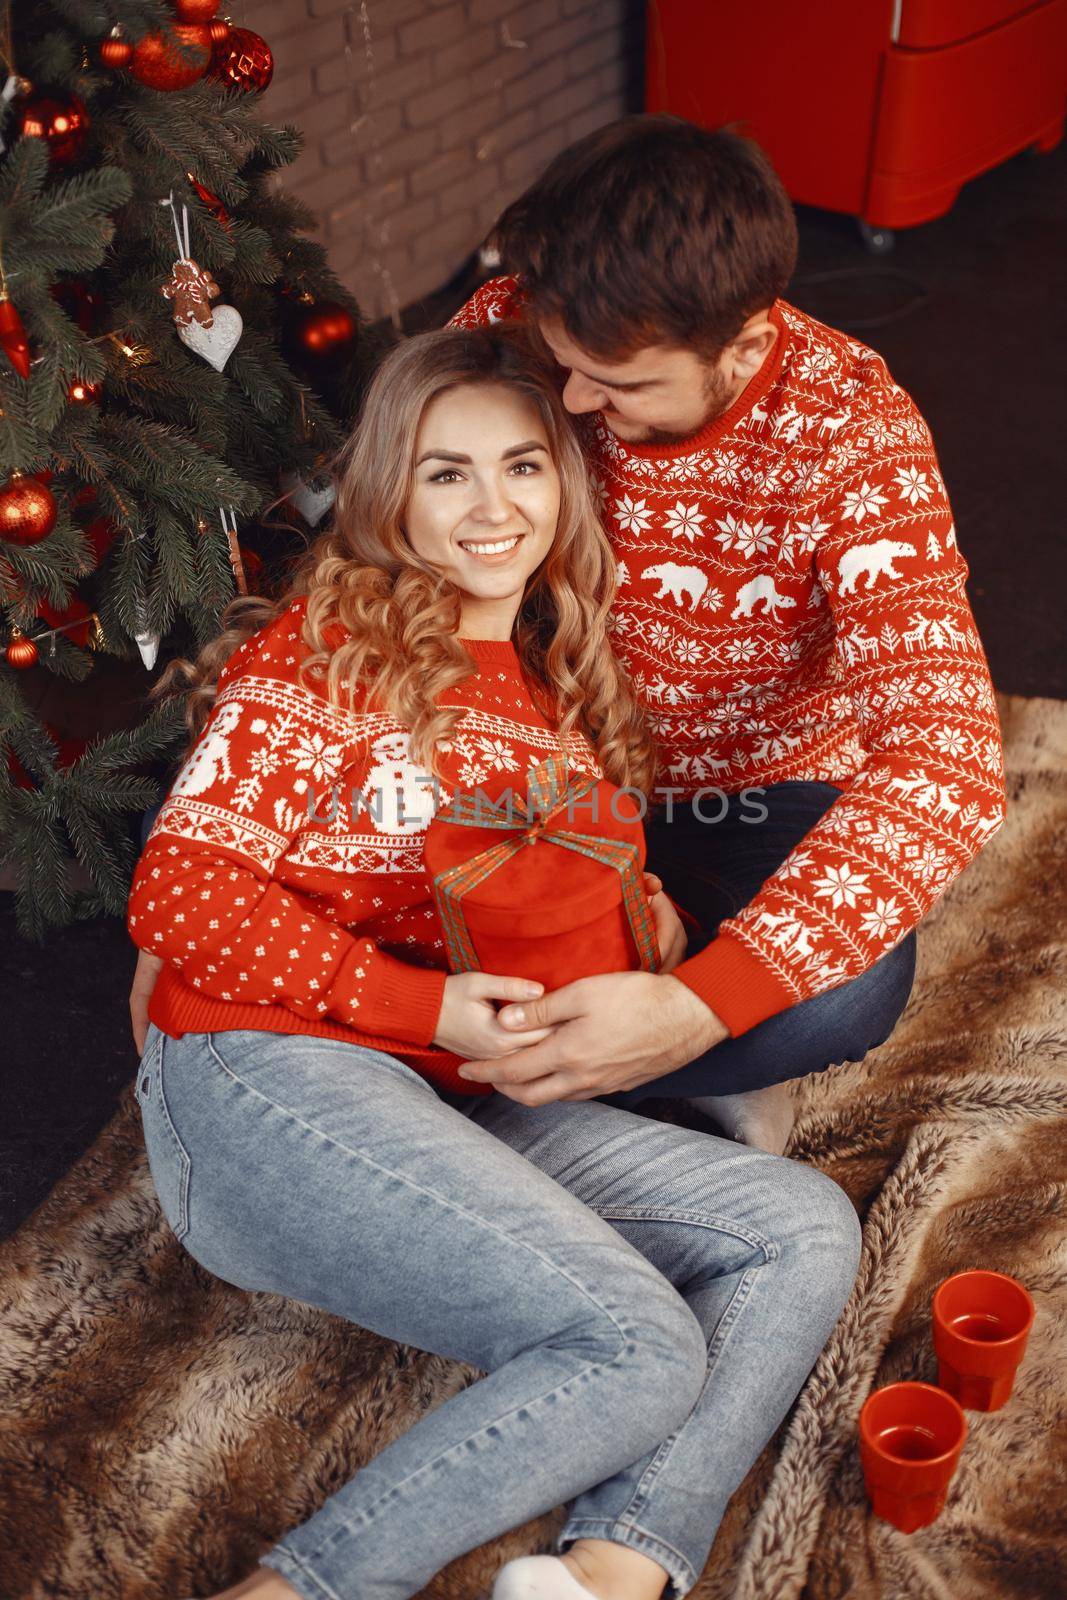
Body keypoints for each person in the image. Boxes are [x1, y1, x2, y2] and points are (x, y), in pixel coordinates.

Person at [126, 325, 862, 1600]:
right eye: (445, 472)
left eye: (522, 467)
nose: (492, 507)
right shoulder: (327, 655)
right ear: (389, 493)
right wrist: (419, 1006)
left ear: (563, 486)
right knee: (634, 1342)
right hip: (259, 1077)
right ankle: (298, 1590)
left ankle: (610, 1570)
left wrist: (647, 926)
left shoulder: (549, 682)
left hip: (442, 1093)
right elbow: (177, 890)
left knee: (798, 1227)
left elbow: (526, 894)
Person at [440, 114, 1007, 1149]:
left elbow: (949, 753)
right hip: (535, 758)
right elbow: (381, 547)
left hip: (755, 790)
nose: (568, 400)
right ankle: (604, 1061)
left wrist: (700, 1004)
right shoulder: (512, 325)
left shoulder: (852, 432)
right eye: (564, 364)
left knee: (845, 997)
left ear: (741, 343)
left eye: (616, 384)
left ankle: (597, 1052)